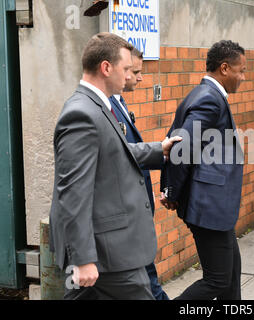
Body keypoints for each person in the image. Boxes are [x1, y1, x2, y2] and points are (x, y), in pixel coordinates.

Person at [49, 32, 180, 300]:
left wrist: (158, 150)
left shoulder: (99, 106)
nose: (130, 75)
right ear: (106, 68)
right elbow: (73, 193)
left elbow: (112, 153)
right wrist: (83, 258)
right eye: (126, 69)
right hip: (107, 254)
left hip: (109, 251)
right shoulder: (81, 114)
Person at [160, 40, 246, 300]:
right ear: (224, 68)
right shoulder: (209, 99)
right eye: (240, 70)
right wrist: (172, 192)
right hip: (208, 207)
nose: (243, 77)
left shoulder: (207, 94)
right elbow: (180, 147)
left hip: (216, 207)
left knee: (231, 275)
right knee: (218, 282)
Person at [109, 48, 169, 300]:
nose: (140, 78)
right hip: (126, 219)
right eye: (135, 71)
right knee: (149, 284)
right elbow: (117, 155)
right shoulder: (107, 106)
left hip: (134, 218)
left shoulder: (119, 102)